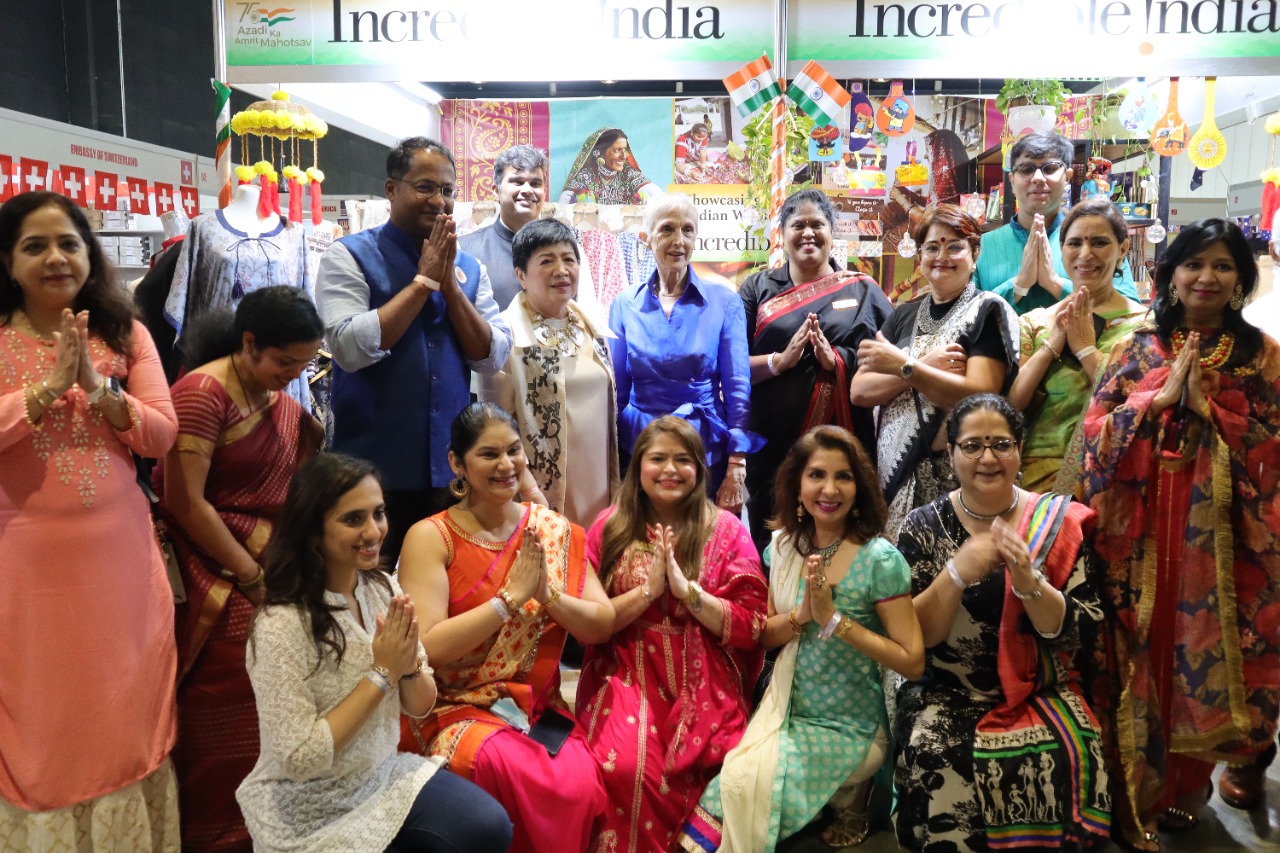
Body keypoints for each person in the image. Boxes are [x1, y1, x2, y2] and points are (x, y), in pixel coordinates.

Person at [1082, 218, 1280, 851]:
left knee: (1201, 651)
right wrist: (1154, 403)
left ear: (1241, 278)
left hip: (1225, 536)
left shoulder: (1262, 356)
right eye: (1194, 264)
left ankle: (1189, 789)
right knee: (1141, 646)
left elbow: (1274, 446)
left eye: (1223, 265)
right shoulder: (1134, 349)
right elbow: (1094, 435)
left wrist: (1210, 413)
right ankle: (1130, 792)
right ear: (1170, 275)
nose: (1207, 277)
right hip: (1140, 529)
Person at [0, 191, 180, 846]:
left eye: (69, 244)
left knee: (123, 704)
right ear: (7, 260)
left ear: (89, 253)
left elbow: (161, 434)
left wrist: (99, 389)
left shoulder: (125, 332)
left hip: (121, 564)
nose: (56, 258)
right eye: (35, 246)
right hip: (25, 569)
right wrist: (48, 388)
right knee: (41, 711)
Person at [236, 453, 512, 853]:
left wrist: (407, 667)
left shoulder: (381, 588)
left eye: (378, 514)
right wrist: (382, 673)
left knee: (489, 827)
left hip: (380, 774)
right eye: (353, 519)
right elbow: (300, 759)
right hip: (310, 804)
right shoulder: (280, 623)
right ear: (312, 532)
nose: (374, 531)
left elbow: (420, 704)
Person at [680, 425, 923, 853]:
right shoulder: (785, 549)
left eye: (843, 476)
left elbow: (912, 660)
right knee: (729, 786)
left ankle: (857, 791)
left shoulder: (879, 560)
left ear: (859, 487)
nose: (829, 489)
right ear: (797, 485)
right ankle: (839, 798)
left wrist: (834, 620)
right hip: (787, 711)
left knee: (741, 785)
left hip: (851, 726)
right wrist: (804, 615)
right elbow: (767, 637)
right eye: (816, 475)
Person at [895, 393, 1111, 852]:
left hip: (1040, 689)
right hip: (948, 689)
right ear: (950, 453)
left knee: (1072, 746)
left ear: (1020, 449)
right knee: (940, 753)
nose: (988, 458)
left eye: (1001, 444)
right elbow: (916, 636)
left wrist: (1030, 583)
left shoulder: (1058, 521)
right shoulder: (922, 526)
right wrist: (956, 573)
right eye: (972, 445)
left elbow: (1081, 631)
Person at [150, 285, 324, 852]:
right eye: (284, 363)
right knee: (221, 707)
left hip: (270, 570)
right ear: (249, 344)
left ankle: (265, 830)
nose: (293, 377)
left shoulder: (277, 401)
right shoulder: (203, 395)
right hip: (212, 575)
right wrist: (250, 576)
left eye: (304, 365)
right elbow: (185, 503)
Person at [397, 402, 614, 853]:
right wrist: (508, 601)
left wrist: (548, 595)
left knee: (577, 780)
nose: (506, 464)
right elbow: (428, 648)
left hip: (532, 706)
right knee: (502, 766)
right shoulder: (431, 536)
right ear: (457, 463)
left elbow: (601, 626)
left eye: (513, 450)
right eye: (489, 454)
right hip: (449, 705)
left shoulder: (551, 530)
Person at [316, 136, 512, 566]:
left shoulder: (469, 266)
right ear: (391, 189)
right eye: (424, 187)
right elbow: (347, 346)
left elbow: (492, 355)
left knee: (447, 589)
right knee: (372, 589)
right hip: (370, 473)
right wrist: (422, 283)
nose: (438, 201)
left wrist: (450, 287)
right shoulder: (348, 256)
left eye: (447, 190)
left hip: (452, 475)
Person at [577, 416, 768, 853]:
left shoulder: (728, 531)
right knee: (627, 766)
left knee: (723, 768)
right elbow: (589, 622)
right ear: (638, 466)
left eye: (683, 460)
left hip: (707, 681)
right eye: (657, 458)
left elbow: (753, 626)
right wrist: (648, 592)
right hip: (625, 668)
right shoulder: (610, 527)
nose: (669, 469)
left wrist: (689, 594)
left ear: (700, 468)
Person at [851, 204, 1019, 541]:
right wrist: (920, 367)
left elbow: (979, 395)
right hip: (893, 471)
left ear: (975, 254)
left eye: (954, 246)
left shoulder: (986, 310)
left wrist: (903, 366)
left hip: (956, 472)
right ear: (920, 256)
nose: (942, 256)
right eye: (931, 247)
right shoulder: (903, 315)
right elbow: (861, 390)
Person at [739, 188, 893, 551]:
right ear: (782, 233)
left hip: (844, 448)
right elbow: (730, 367)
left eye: (817, 224)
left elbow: (892, 363)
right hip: (772, 449)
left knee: (846, 543)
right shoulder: (757, 289)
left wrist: (838, 359)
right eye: (798, 224)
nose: (808, 232)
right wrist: (779, 362)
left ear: (831, 232)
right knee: (772, 548)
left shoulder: (863, 291)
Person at [609, 193, 762, 509]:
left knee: (703, 536)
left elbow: (737, 386)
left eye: (687, 230)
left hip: (702, 446)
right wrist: (611, 459)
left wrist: (737, 462)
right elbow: (617, 392)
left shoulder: (724, 301)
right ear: (646, 238)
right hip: (639, 446)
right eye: (667, 229)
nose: (679, 240)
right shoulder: (624, 303)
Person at [477, 219, 618, 528]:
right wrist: (530, 491)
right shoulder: (505, 335)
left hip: (598, 479)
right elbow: (496, 427)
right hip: (537, 491)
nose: (561, 270)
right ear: (520, 275)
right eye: (546, 261)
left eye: (569, 259)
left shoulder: (591, 327)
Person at [1006, 197, 1148, 495]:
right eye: (1074, 243)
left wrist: (1085, 350)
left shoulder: (1146, 327)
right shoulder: (1035, 322)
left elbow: (1140, 406)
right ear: (1062, 249)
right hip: (1036, 484)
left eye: (1099, 243)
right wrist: (1051, 346)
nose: (1085, 254)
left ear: (1123, 249)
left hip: (1113, 480)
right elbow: (1012, 405)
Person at [974, 131, 1140, 314]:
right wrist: (1019, 285)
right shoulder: (982, 246)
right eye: (1026, 169)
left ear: (1067, 177)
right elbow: (963, 317)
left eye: (1050, 168)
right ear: (1012, 181)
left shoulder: (1100, 242)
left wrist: (1054, 283)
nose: (1038, 177)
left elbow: (1130, 315)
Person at [459, 144, 550, 310]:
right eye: (518, 182)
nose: (527, 190)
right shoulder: (465, 250)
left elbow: (585, 314)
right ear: (496, 191)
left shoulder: (568, 250)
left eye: (535, 183)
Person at [559, 128, 661, 205]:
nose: (624, 156)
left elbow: (657, 195)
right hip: (593, 227)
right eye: (617, 150)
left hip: (625, 227)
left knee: (645, 196)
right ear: (599, 153)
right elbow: (563, 204)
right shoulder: (585, 176)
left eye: (625, 150)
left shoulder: (628, 174)